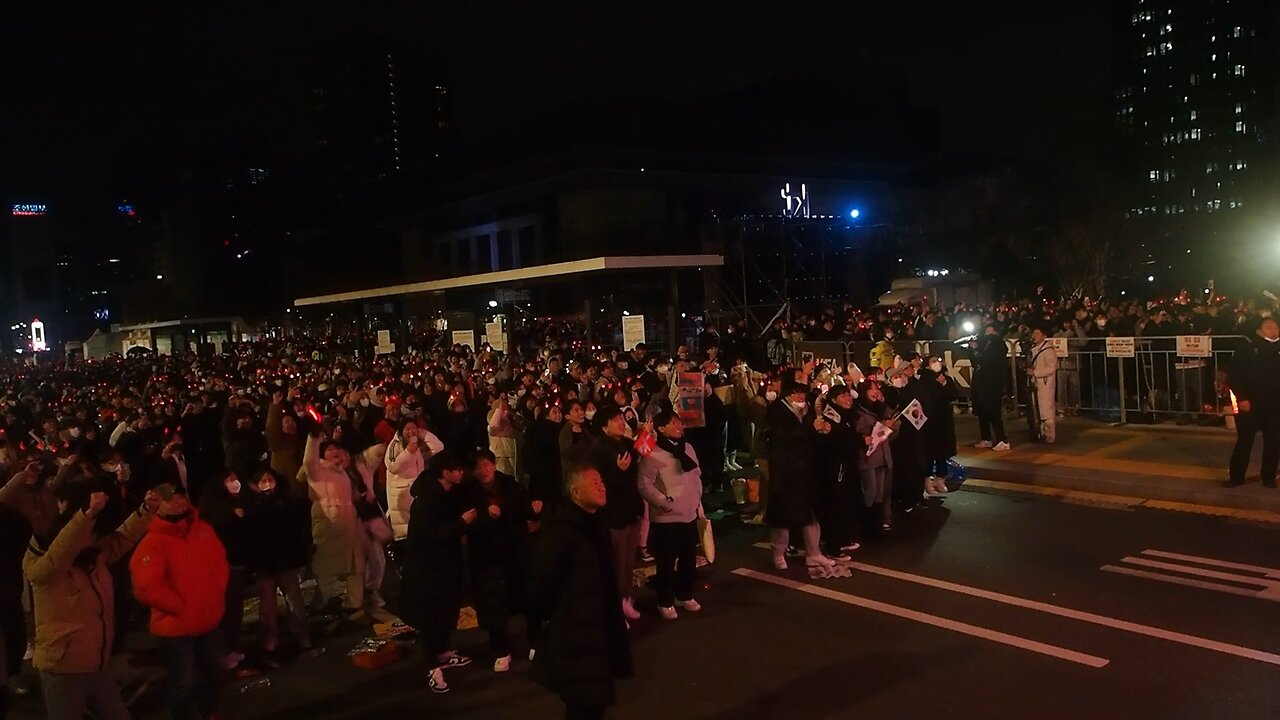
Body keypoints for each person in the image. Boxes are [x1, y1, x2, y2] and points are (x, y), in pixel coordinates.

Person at [24, 483, 158, 720]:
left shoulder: (93, 559)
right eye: (89, 534)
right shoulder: (46, 569)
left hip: (97, 665)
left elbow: (123, 536)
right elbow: (59, 556)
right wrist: (86, 516)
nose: (95, 538)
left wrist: (147, 509)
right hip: (64, 670)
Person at [529, 466, 634, 720]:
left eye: (601, 481)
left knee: (590, 705)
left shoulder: (595, 524)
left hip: (597, 632)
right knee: (584, 704)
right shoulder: (561, 532)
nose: (602, 486)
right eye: (595, 482)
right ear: (575, 492)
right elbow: (540, 588)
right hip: (575, 636)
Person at [130, 482, 230, 720]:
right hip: (174, 627)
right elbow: (147, 587)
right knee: (183, 681)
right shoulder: (152, 542)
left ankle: (209, 712)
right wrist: (180, 607)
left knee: (215, 671)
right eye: (170, 499)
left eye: (180, 497)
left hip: (207, 619)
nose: (177, 503)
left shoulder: (203, 529)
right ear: (158, 505)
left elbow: (221, 563)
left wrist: (215, 594)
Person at [402, 452, 473, 694]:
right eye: (457, 469)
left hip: (444, 565)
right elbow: (430, 536)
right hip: (427, 568)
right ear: (445, 473)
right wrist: (462, 523)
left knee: (445, 609)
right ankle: (432, 666)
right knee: (431, 616)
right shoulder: (427, 501)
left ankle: (443, 653)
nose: (461, 473)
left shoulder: (446, 495)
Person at [465, 450, 540, 672]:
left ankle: (536, 642)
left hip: (516, 551)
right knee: (492, 603)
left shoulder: (509, 484)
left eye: (487, 464)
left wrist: (533, 508)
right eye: (478, 466)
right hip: (487, 556)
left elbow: (526, 509)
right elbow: (466, 523)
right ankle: (501, 650)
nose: (484, 470)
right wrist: (486, 515)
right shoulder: (469, 492)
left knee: (528, 597)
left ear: (494, 465)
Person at [636, 410, 704, 620]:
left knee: (688, 557)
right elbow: (644, 484)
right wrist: (663, 502)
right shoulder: (653, 453)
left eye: (679, 423)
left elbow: (696, 476)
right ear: (661, 429)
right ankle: (664, 600)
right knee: (666, 561)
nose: (679, 426)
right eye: (673, 423)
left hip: (688, 513)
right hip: (666, 518)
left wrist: (697, 501)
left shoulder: (688, 448)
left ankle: (684, 594)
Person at [763, 382, 836, 570]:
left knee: (809, 514)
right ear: (787, 395)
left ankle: (813, 553)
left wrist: (822, 430)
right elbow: (786, 437)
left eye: (803, 394)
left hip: (806, 470)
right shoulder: (777, 412)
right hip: (785, 471)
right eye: (797, 394)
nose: (801, 399)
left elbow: (811, 436)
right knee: (783, 516)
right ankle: (778, 552)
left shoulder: (807, 411)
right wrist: (811, 427)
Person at [243, 468, 312, 652]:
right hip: (264, 561)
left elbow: (295, 529)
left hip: (285, 558)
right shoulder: (250, 506)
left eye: (270, 479)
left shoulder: (286, 501)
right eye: (263, 480)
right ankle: (270, 639)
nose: (267, 483)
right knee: (268, 603)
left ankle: (301, 634)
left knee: (294, 597)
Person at [589, 407, 644, 622]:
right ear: (604, 427)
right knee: (615, 566)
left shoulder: (626, 445)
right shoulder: (598, 451)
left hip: (631, 512)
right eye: (616, 420)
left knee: (628, 564)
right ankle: (615, 608)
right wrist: (617, 471)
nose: (622, 422)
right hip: (614, 517)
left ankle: (625, 600)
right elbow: (599, 486)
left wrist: (645, 434)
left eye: (622, 418)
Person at [1226, 317, 1280, 488]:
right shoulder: (1247, 349)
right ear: (1259, 331)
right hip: (1250, 404)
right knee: (1244, 441)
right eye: (1268, 327)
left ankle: (1269, 477)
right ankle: (1236, 477)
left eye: (1275, 327)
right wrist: (1241, 398)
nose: (1273, 330)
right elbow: (1234, 376)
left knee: (1274, 442)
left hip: (1275, 405)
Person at [385, 419, 441, 541]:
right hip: (401, 494)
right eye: (407, 429)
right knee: (405, 532)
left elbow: (438, 448)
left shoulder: (418, 444)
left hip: (416, 491)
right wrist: (408, 452)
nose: (411, 431)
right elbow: (393, 466)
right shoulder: (395, 444)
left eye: (414, 428)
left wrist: (422, 433)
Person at [971, 324, 1011, 451]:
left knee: (993, 412)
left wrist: (977, 351)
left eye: (990, 331)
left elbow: (989, 361)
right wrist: (974, 350)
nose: (987, 333)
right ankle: (986, 438)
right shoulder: (985, 345)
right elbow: (976, 361)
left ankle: (1002, 440)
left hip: (992, 384)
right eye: (986, 331)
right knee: (983, 412)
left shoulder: (998, 345)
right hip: (981, 383)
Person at [1028, 327, 1059, 443]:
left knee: (1047, 409)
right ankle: (1041, 433)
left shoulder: (1048, 350)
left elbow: (1052, 368)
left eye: (1037, 333)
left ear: (1044, 336)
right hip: (1037, 382)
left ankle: (1050, 435)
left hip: (1045, 383)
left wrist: (1035, 373)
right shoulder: (1035, 349)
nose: (1034, 335)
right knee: (1039, 409)